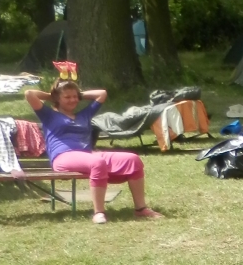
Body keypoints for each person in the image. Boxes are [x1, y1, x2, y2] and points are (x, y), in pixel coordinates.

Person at [24, 66, 162, 223]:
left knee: (132, 159)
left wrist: (77, 94)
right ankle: (98, 212)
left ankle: (141, 209)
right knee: (97, 162)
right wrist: (53, 95)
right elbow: (29, 94)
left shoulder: (84, 115)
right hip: (63, 157)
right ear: (58, 99)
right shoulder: (48, 115)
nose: (73, 100)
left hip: (86, 155)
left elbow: (102, 94)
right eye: (67, 97)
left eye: (75, 97)